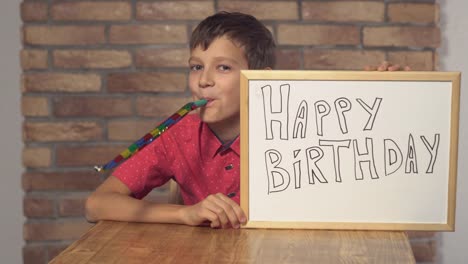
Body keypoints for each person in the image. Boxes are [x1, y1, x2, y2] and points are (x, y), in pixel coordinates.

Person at [85, 11, 275, 229]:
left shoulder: (292, 137)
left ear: (261, 80)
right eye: (196, 67)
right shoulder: (177, 136)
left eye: (223, 67)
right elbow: (96, 205)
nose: (204, 81)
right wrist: (185, 213)